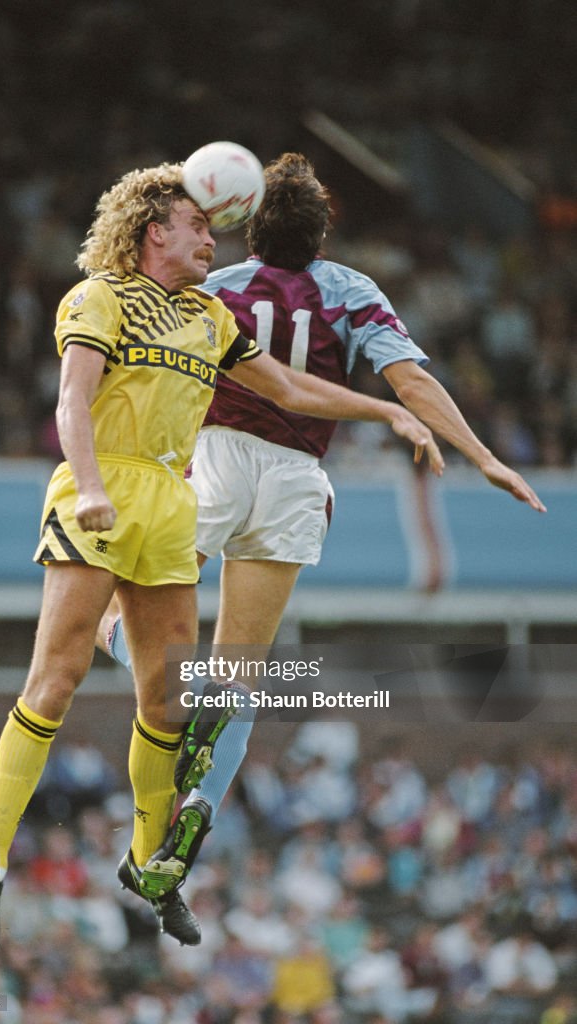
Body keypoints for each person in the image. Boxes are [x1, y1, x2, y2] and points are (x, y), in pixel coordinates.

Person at [0, 159, 442, 954]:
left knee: (167, 704)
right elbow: (72, 398)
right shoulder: (98, 297)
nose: (211, 242)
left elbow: (289, 386)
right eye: (197, 228)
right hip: (103, 487)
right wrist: (87, 487)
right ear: (155, 232)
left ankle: (152, 868)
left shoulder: (210, 320)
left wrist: (386, 412)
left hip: (170, 512)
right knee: (57, 677)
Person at [100, 153, 546, 898]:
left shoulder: (218, 285)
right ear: (323, 235)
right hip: (298, 479)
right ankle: (199, 810)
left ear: (247, 228)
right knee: (243, 672)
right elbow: (411, 380)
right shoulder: (351, 290)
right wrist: (485, 456)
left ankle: (192, 699)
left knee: (114, 619)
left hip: (213, 460)